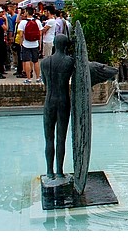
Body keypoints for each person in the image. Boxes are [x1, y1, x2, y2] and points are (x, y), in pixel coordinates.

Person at [40, 34, 75, 179]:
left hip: (49, 101)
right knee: (61, 138)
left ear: (54, 43)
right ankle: (59, 171)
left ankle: (49, 171)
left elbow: (45, 82)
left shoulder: (45, 62)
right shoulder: (70, 62)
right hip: (63, 101)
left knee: (49, 138)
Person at [17, 6, 43, 84]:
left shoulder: (23, 22)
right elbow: (40, 33)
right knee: (36, 61)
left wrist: (21, 42)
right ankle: (38, 78)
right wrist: (39, 43)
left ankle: (28, 78)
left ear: (27, 12)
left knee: (27, 61)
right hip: (35, 44)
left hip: (26, 44)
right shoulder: (38, 21)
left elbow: (21, 34)